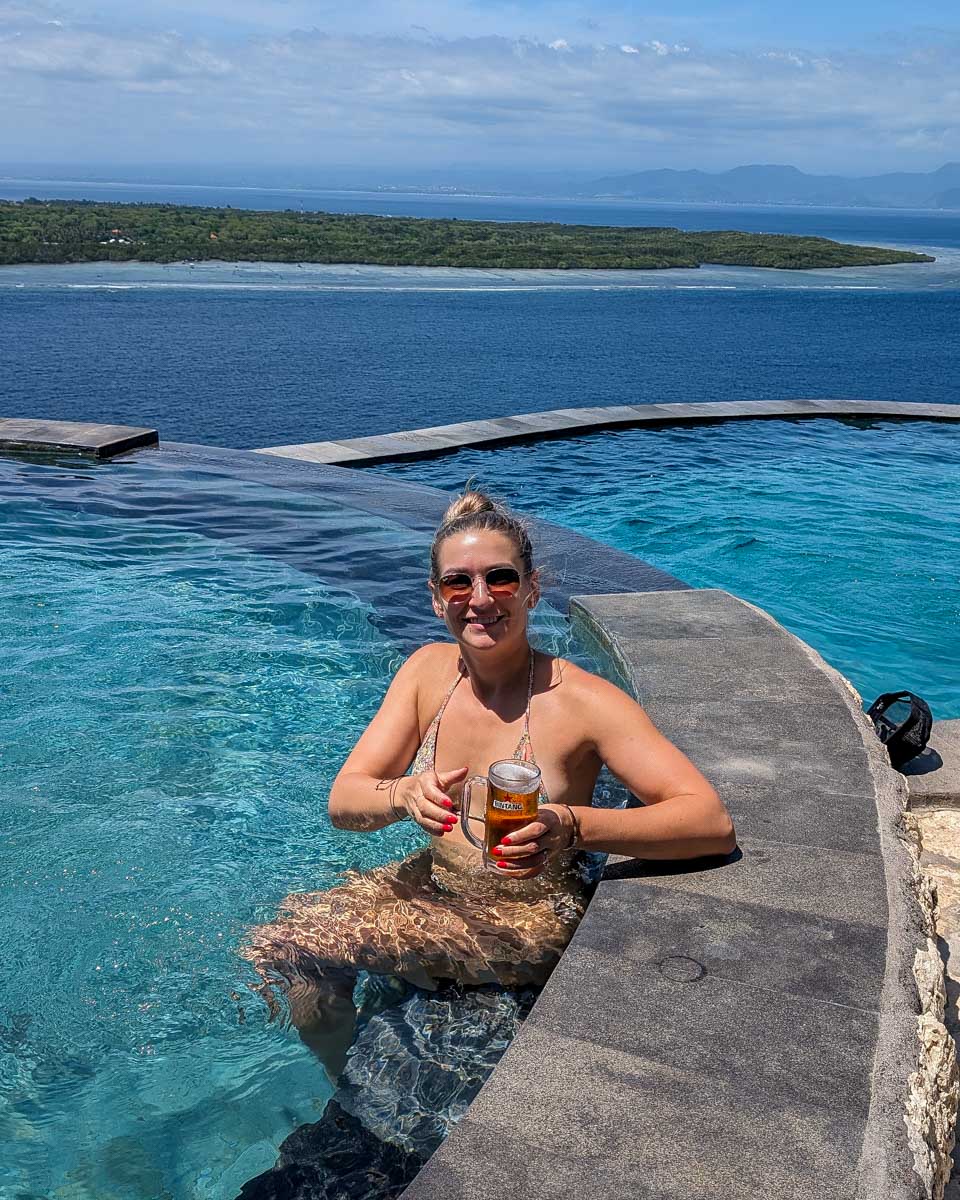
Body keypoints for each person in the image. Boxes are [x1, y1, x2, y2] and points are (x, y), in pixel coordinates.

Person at [244, 489, 736, 1079]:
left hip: (526, 911)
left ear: (532, 588)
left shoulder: (581, 701)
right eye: (458, 583)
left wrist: (573, 826)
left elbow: (708, 821)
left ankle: (351, 1083)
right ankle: (340, 1079)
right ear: (436, 599)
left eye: (500, 579)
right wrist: (402, 794)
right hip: (434, 883)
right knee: (276, 945)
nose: (480, 600)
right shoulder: (426, 672)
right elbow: (344, 800)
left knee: (305, 944)